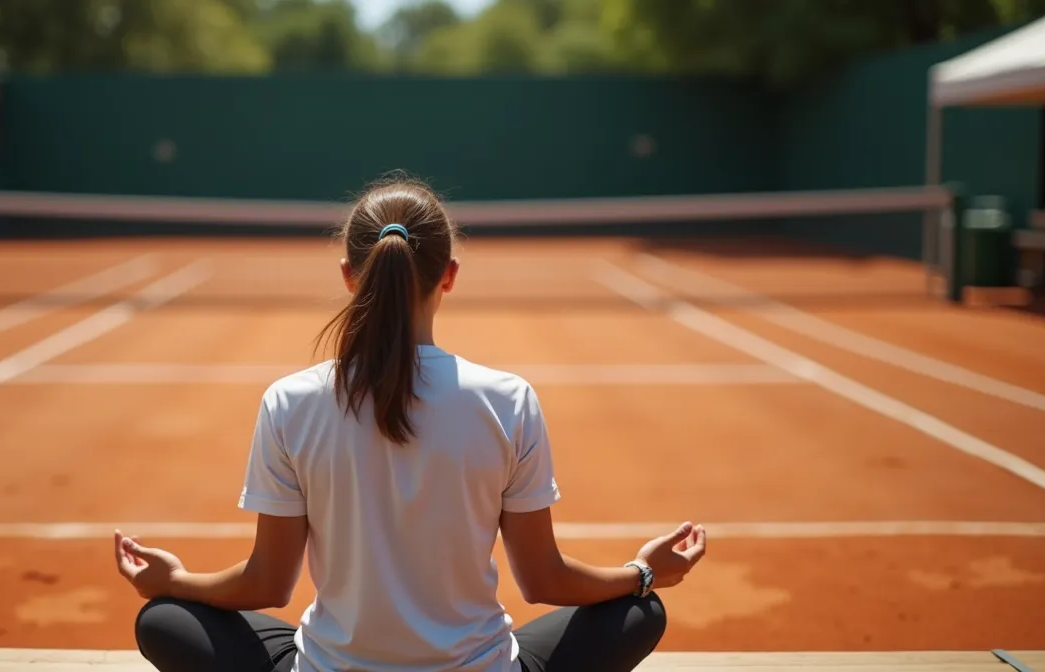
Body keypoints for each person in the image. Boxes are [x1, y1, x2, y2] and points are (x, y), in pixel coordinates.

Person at [113, 174, 707, 672]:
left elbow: (267, 586)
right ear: (448, 275)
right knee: (642, 610)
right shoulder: (508, 399)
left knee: (163, 620)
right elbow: (544, 580)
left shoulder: (288, 401)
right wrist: (644, 572)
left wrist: (177, 581)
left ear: (350, 274)